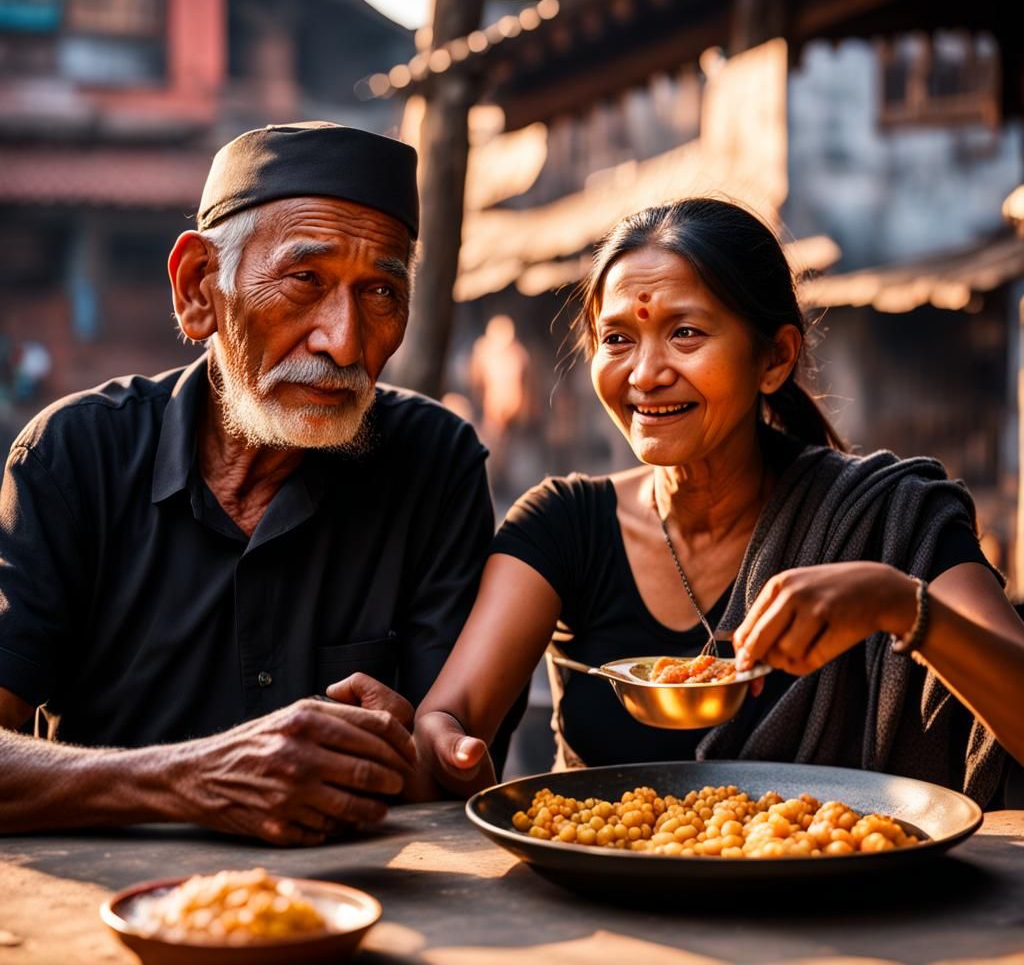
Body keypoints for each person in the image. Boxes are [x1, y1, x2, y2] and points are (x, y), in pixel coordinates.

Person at [0, 122, 520, 846]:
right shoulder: (73, 457)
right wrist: (192, 777)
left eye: (379, 292)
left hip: (365, 907)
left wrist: (424, 754)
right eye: (305, 280)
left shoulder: (435, 463)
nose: (343, 340)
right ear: (197, 290)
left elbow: (447, 756)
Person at [415, 198, 1024, 808]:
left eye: (685, 333)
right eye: (619, 338)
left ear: (775, 358)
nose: (646, 373)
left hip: (850, 899)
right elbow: (452, 716)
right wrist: (447, 748)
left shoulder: (888, 516)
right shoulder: (562, 526)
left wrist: (901, 606)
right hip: (605, 895)